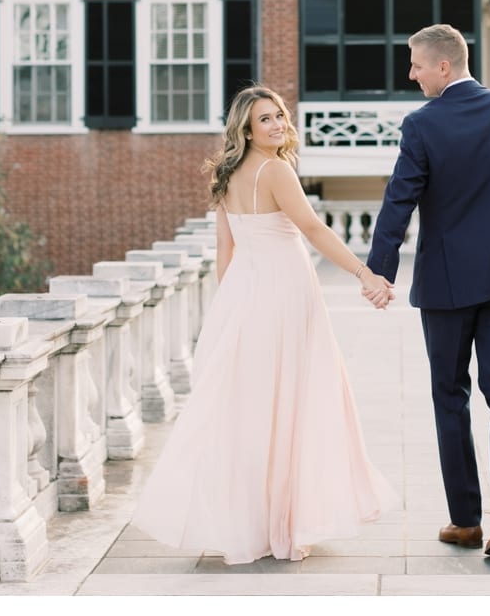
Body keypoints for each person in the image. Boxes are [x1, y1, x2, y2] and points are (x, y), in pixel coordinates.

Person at [130, 84, 398, 565]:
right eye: (265, 120)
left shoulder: (227, 174)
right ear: (247, 131)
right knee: (292, 402)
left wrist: (229, 305)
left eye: (278, 116)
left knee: (255, 409)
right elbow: (313, 229)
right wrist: (364, 273)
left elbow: (226, 252)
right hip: (287, 294)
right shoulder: (276, 170)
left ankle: (258, 522)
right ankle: (284, 525)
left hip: (247, 295)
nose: (277, 125)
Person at [365, 24, 490, 558]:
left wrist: (379, 271)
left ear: (444, 66)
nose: (411, 75)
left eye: (416, 65)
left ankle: (467, 522)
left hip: (448, 286)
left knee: (451, 397)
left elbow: (398, 201)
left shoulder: (423, 125)